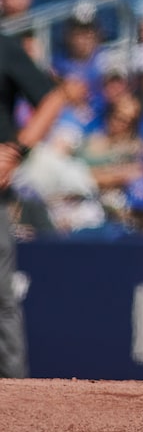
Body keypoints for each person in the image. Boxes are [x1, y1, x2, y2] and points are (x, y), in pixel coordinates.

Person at [0, 34, 64, 377]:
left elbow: (52, 97)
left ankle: (12, 392)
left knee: (0, 296)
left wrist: (16, 150)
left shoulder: (4, 48)